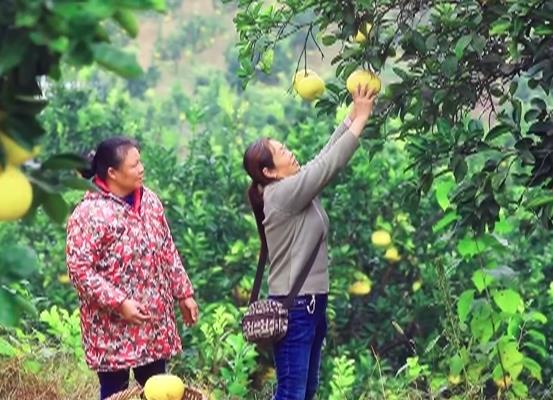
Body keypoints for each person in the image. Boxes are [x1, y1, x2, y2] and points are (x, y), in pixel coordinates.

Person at [242, 85, 377, 400]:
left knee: (307, 390)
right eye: (282, 152)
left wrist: (354, 115)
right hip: (296, 308)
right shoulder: (282, 194)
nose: (290, 151)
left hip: (312, 304)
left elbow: (323, 156)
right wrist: (362, 119)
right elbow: (329, 165)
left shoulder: (292, 186)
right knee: (292, 394)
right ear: (268, 172)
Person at [65, 136, 199, 400]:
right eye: (134, 165)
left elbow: (167, 249)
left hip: (152, 322)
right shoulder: (89, 213)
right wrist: (119, 302)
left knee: (158, 390)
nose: (142, 169)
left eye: (140, 162)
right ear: (112, 173)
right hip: (111, 328)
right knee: (117, 394)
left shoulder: (149, 201)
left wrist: (183, 293)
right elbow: (79, 270)